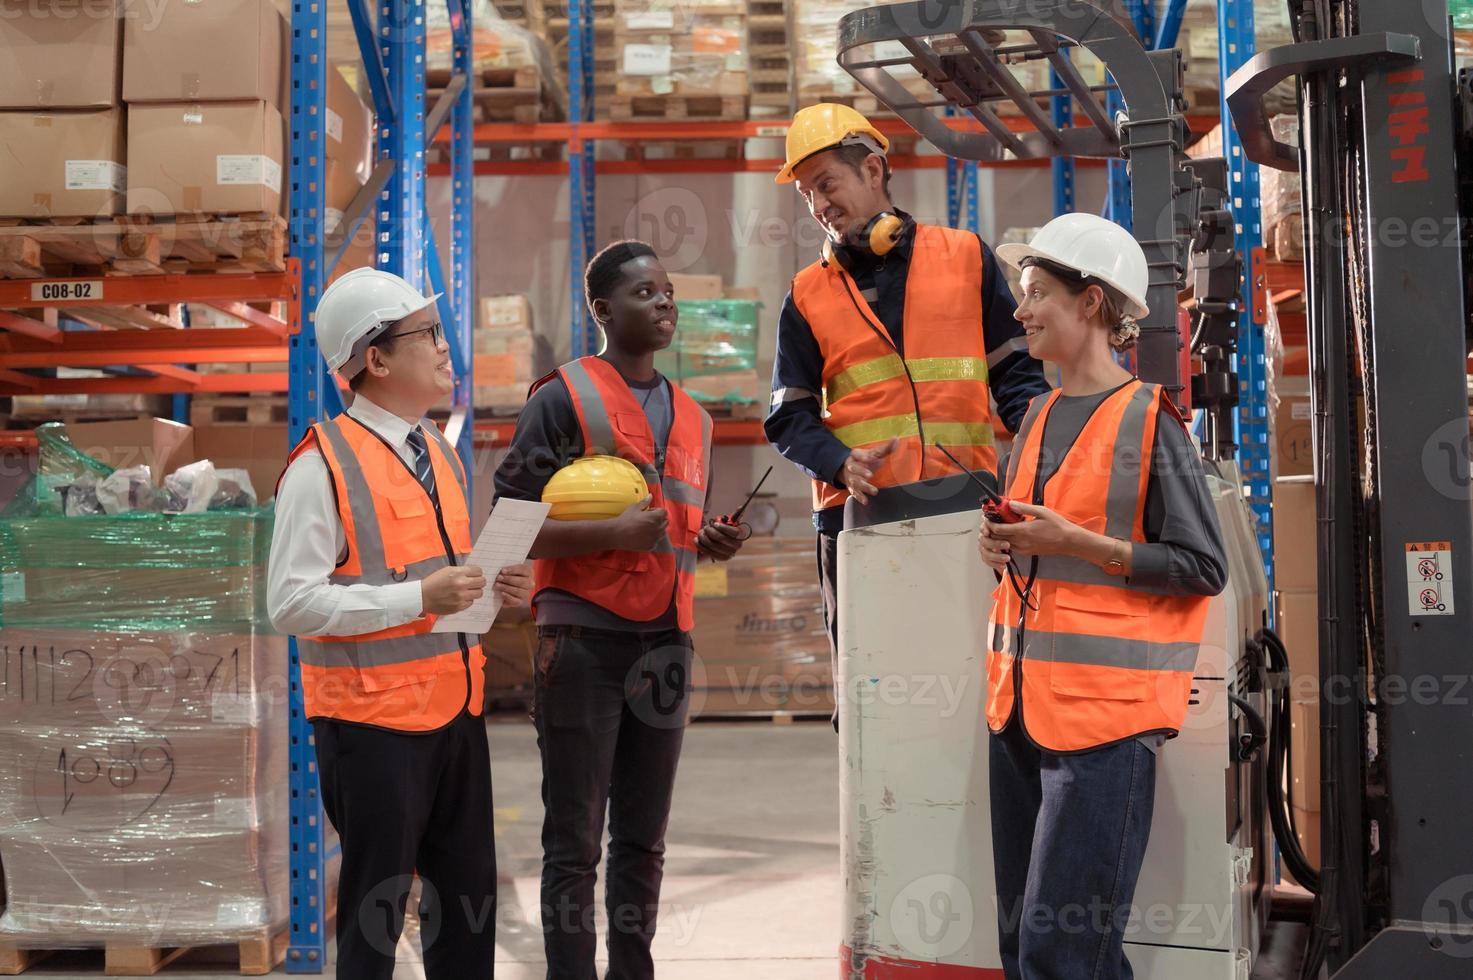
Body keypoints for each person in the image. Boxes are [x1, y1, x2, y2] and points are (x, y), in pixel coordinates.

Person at [976, 213, 1228, 980]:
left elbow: (1201, 566)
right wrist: (1003, 550)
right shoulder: (1038, 416)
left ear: (1090, 302)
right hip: (1017, 712)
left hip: (1104, 728)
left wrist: (1076, 542)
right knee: (1027, 948)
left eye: (1035, 293)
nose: (1019, 313)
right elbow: (1036, 557)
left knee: (1063, 955)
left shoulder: (1152, 423)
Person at [267, 267, 532, 980]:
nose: (447, 350)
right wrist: (421, 600)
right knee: (374, 919)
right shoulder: (320, 467)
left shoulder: (437, 452)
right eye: (428, 336)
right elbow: (290, 603)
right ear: (375, 359)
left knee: (466, 907)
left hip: (454, 710)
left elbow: (434, 581)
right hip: (371, 728)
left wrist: (489, 587)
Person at [492, 240, 745, 979]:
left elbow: (677, 525)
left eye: (667, 290)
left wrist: (716, 539)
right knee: (574, 842)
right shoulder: (562, 397)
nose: (664, 301)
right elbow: (504, 525)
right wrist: (608, 531)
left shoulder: (694, 419)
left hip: (667, 644)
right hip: (582, 642)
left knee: (644, 838)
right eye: (644, 292)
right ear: (603, 311)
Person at [763, 102, 1052, 721]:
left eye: (827, 184)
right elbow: (788, 415)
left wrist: (1049, 451)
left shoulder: (964, 257)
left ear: (872, 169)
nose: (819, 205)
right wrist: (837, 462)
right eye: (808, 194)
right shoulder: (806, 293)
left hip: (967, 506)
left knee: (970, 682)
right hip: (859, 518)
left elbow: (1016, 376)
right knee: (874, 695)